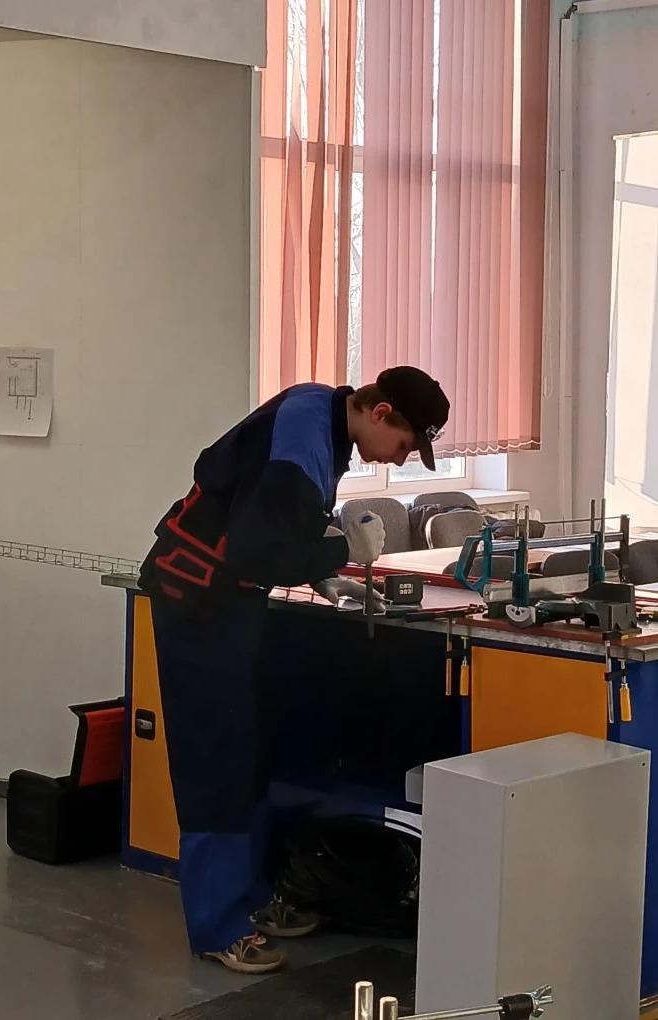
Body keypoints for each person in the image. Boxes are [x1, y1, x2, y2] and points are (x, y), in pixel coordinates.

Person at [138, 366, 450, 974]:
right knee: (216, 757)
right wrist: (344, 551)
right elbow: (257, 549)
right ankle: (217, 926)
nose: (401, 459)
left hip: (232, 602)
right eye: (405, 445)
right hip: (198, 601)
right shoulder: (306, 433)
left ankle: (251, 900)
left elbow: (277, 524)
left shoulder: (322, 414)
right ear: (380, 413)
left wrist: (323, 575)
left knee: (251, 750)